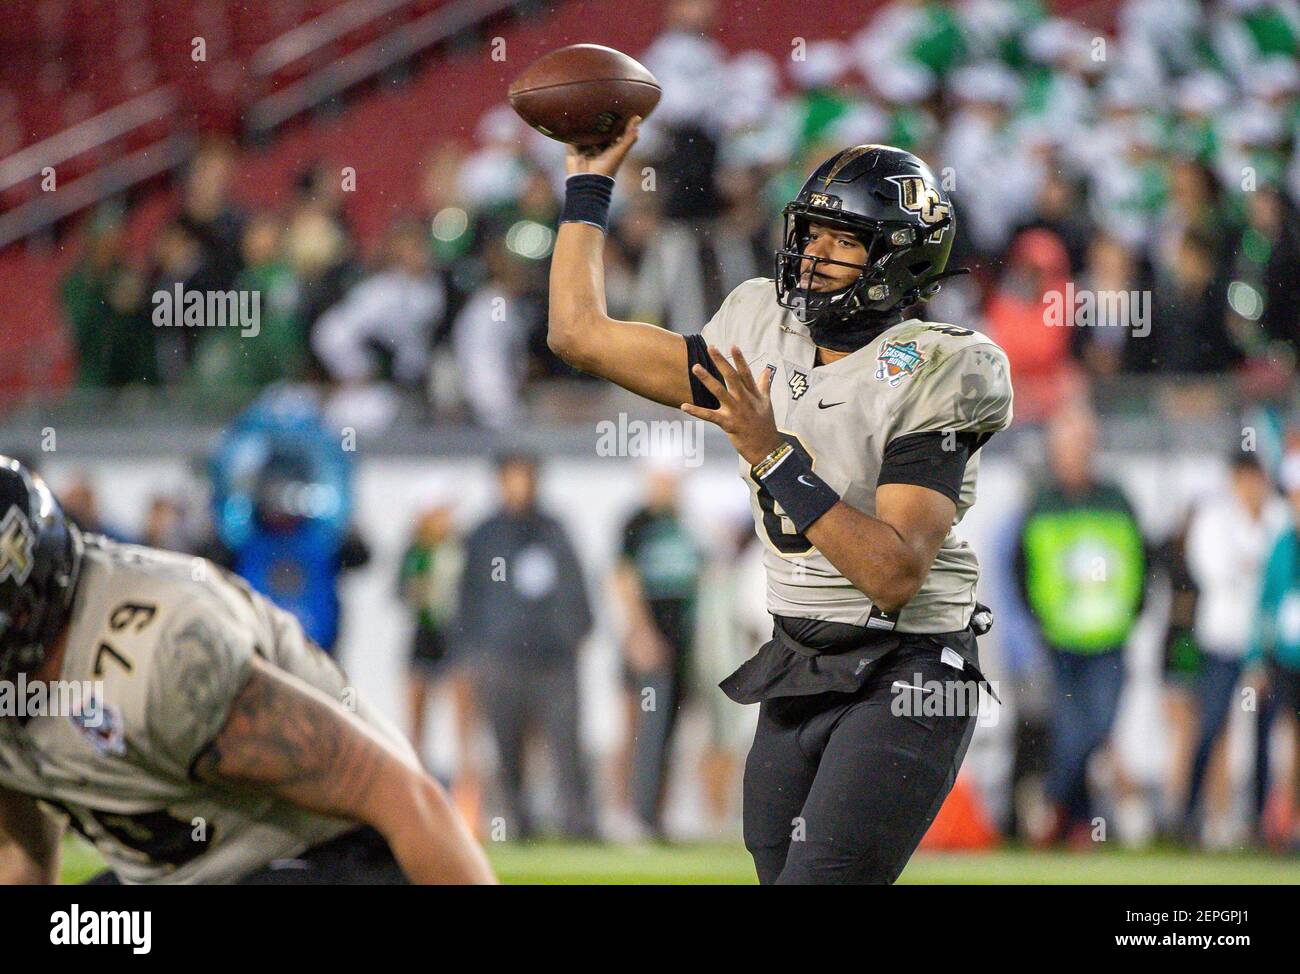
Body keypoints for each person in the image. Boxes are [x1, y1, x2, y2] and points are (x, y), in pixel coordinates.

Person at [548, 130, 1013, 884]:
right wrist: (588, 186)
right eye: (812, 232)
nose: (815, 253)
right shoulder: (761, 323)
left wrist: (771, 454)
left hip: (907, 667)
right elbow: (579, 335)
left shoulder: (941, 365)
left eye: (844, 239)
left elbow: (892, 573)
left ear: (899, 256)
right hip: (798, 661)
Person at [0, 457, 493, 884]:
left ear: (29, 597)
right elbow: (20, 857)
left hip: (324, 857)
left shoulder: (161, 657)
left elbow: (403, 798)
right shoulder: (14, 689)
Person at [1013, 403, 1146, 845]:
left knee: (1097, 726)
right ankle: (1075, 822)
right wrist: (1039, 620)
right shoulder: (1042, 503)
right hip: (1061, 641)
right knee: (1072, 731)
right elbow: (1021, 568)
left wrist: (1131, 613)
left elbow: (1141, 563)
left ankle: (1052, 806)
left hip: (1109, 639)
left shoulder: (1116, 498)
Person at [454, 454, 595, 840]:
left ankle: (579, 826)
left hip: (554, 659)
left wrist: (577, 633)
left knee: (567, 746)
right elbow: (467, 597)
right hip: (501, 659)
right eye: (513, 478)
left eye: (527, 478)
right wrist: (469, 655)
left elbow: (576, 585)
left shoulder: (554, 529)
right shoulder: (483, 534)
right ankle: (519, 826)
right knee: (507, 746)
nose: (521, 486)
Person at [1181, 453, 1286, 844]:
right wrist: (1254, 570)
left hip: (1266, 644)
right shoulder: (1215, 518)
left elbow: (1277, 577)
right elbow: (1213, 571)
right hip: (1223, 641)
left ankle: (1261, 824)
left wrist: (1251, 569)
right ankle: (1189, 816)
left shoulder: (1277, 517)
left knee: (1264, 734)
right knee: (1210, 727)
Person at [612, 461, 703, 840]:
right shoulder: (637, 522)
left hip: (680, 645)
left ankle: (655, 817)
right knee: (637, 730)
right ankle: (624, 814)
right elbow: (623, 578)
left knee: (667, 733)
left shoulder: (683, 523)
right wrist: (641, 633)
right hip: (649, 644)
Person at [1246, 452, 1300, 848]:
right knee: (1289, 739)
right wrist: (1255, 660)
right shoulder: (1283, 546)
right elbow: (1264, 607)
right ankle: (1286, 818)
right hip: (1287, 663)